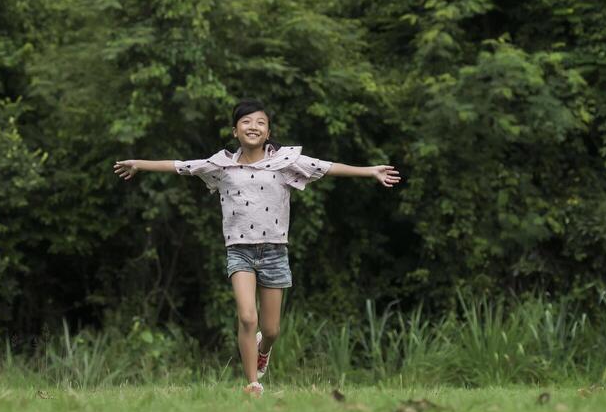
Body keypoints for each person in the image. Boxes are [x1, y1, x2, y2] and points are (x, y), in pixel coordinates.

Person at [113, 98, 401, 396]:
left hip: (275, 251)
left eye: (260, 122)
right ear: (235, 130)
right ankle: (252, 383)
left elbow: (326, 167)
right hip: (239, 251)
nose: (254, 127)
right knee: (247, 317)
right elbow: (180, 166)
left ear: (268, 131)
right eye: (246, 122)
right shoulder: (221, 165)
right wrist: (139, 164)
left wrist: (370, 171)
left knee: (272, 329)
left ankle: (264, 350)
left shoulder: (286, 162)